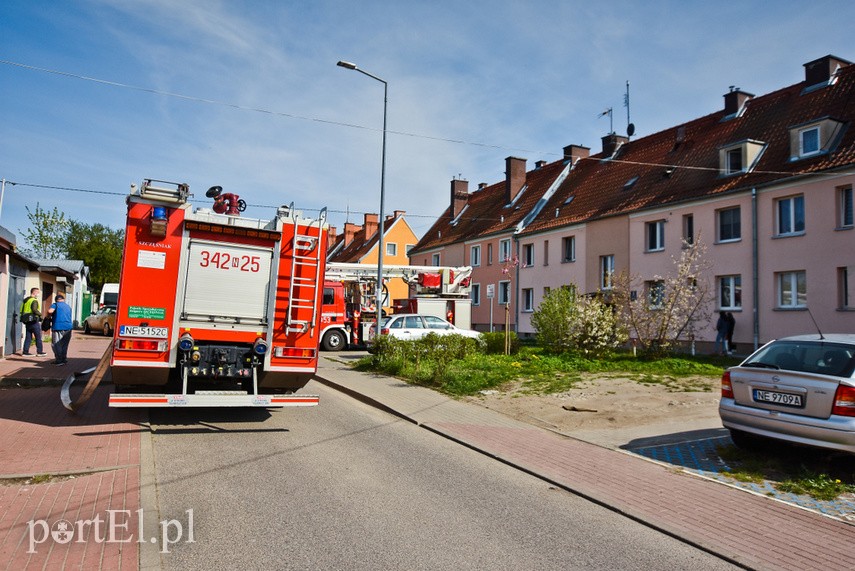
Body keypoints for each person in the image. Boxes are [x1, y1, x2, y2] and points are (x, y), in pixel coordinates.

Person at [20, 287, 47, 356]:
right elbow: (34, 310)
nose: (38, 294)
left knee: (28, 337)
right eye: (37, 292)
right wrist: (41, 315)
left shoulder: (26, 300)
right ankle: (40, 351)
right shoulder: (34, 300)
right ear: (34, 292)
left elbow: (21, 310)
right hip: (34, 321)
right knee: (38, 337)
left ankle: (25, 352)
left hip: (27, 321)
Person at [48, 293, 73, 365]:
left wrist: (48, 317)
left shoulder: (55, 305)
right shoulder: (68, 306)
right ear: (63, 300)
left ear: (56, 300)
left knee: (56, 344)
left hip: (58, 327)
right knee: (64, 344)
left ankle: (59, 360)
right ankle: (64, 359)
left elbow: (50, 311)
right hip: (68, 327)